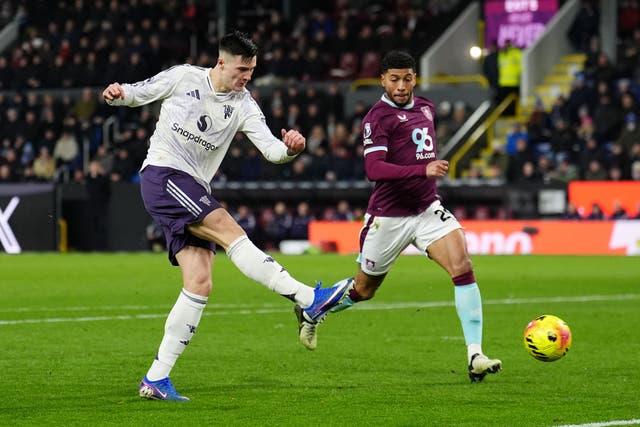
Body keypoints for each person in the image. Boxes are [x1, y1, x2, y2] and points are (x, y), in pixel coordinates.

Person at [102, 30, 352, 401]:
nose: (247, 76)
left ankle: (156, 379)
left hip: (194, 188)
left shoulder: (245, 105)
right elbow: (139, 92)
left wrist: (291, 149)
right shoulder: (184, 77)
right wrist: (118, 93)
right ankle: (306, 298)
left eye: (251, 70)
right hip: (163, 174)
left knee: (200, 281)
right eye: (242, 69)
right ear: (221, 62)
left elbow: (271, 150)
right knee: (227, 227)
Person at [293, 51, 502, 383]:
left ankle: (475, 354)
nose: (401, 86)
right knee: (364, 290)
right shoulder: (377, 119)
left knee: (462, 267)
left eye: (407, 78)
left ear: (415, 78)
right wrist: (423, 169)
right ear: (382, 80)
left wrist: (425, 175)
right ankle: (313, 307)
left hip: (427, 209)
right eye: (394, 79)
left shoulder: (427, 108)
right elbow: (373, 169)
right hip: (388, 217)